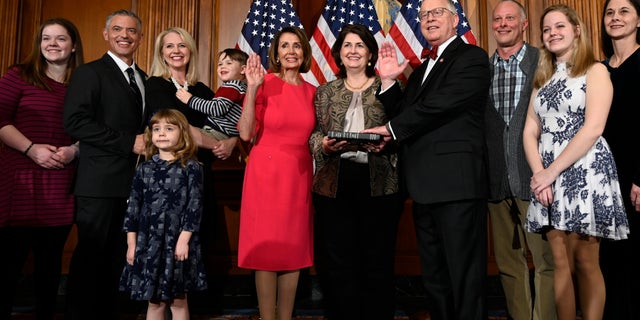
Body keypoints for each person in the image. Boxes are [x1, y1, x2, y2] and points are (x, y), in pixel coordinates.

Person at [362, 0, 491, 318]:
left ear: (455, 18)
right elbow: (408, 115)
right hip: (423, 186)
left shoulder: (472, 57)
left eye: (437, 13)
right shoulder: (421, 71)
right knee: (434, 278)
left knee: (464, 277)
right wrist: (391, 81)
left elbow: (440, 105)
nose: (429, 19)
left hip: (456, 186)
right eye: (424, 15)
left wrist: (391, 129)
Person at [522, 4, 630, 320]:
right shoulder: (543, 76)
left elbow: (593, 127)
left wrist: (550, 172)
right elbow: (530, 129)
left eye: (559, 27)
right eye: (546, 29)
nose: (552, 33)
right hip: (548, 175)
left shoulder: (595, 70)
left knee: (585, 259)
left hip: (585, 170)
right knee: (560, 261)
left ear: (576, 30)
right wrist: (540, 173)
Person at [309, 23, 404, 320]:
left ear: (370, 53)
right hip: (334, 183)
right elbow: (314, 133)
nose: (353, 51)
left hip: (378, 183)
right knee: (339, 259)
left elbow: (403, 127)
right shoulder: (325, 92)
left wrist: (384, 145)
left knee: (376, 258)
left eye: (360, 45)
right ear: (338, 54)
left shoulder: (387, 86)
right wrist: (323, 144)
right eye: (347, 46)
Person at [62, 9, 147, 319]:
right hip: (97, 184)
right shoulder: (89, 72)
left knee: (120, 258)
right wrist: (128, 142)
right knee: (90, 258)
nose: (124, 35)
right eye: (117, 29)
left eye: (131, 30)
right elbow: (75, 122)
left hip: (131, 185)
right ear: (106, 34)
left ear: (140, 37)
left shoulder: (143, 78)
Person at [145, 27, 238, 304]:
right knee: (172, 242)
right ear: (161, 53)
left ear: (191, 51)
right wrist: (216, 144)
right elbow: (179, 128)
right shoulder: (156, 85)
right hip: (170, 181)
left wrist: (232, 141)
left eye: (182, 46)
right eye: (170, 46)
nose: (176, 51)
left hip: (200, 175)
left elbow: (231, 118)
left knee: (199, 239)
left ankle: (194, 307)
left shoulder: (201, 89)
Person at [0, 18, 83, 320]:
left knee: (49, 266)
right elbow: (0, 120)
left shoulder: (82, 84)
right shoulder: (18, 76)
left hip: (60, 182)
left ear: (73, 46)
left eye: (60, 39)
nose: (52, 44)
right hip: (19, 181)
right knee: (9, 264)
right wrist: (31, 149)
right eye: (46, 38)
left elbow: (92, 130)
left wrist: (74, 150)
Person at [237, 26, 316, 320]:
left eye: (297, 45)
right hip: (265, 174)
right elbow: (245, 133)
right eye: (285, 46)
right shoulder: (264, 83)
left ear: (304, 53)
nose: (291, 51)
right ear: (277, 53)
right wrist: (253, 88)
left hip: (298, 175)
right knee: (266, 251)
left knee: (293, 250)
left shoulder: (313, 92)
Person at [485, 1, 556, 320]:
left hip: (537, 180)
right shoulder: (481, 70)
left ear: (524, 24)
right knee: (509, 265)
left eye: (509, 18)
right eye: (497, 19)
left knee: (545, 263)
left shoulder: (544, 62)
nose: (502, 24)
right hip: (496, 183)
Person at [119, 108, 207, 320]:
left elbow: (194, 206)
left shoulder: (191, 167)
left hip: (177, 241)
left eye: (169, 128)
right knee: (154, 301)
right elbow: (133, 208)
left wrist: (184, 240)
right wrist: (132, 244)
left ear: (182, 133)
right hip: (149, 243)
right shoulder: (144, 168)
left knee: (177, 300)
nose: (161, 133)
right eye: (156, 129)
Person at [600, 0, 640, 318]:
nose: (615, 18)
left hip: (636, 178)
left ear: (639, 20)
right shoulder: (600, 68)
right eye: (610, 13)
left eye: (624, 11)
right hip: (604, 181)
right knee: (610, 262)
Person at [176, 48, 248, 141]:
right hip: (224, 133)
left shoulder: (232, 86)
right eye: (220, 64)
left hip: (218, 132)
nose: (222, 66)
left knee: (179, 132)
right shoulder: (241, 87)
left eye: (229, 63)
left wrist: (190, 100)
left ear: (242, 69)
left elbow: (216, 109)